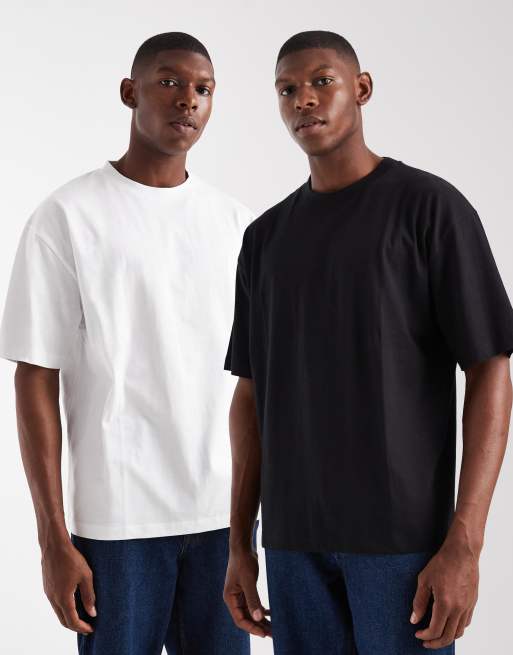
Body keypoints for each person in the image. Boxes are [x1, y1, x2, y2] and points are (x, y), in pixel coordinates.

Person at [223, 30, 513, 654]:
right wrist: (239, 543)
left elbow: (490, 368)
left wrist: (465, 540)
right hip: (293, 545)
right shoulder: (264, 240)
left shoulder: (430, 209)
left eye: (321, 81)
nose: (303, 99)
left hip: (403, 544)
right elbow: (250, 394)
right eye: (286, 90)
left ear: (362, 88)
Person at [0, 32, 254, 655]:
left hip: (221, 518)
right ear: (129, 91)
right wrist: (53, 538)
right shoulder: (68, 216)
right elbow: (36, 375)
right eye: (169, 82)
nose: (188, 100)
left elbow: (257, 378)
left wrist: (250, 520)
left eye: (203, 89)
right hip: (118, 522)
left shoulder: (234, 223)